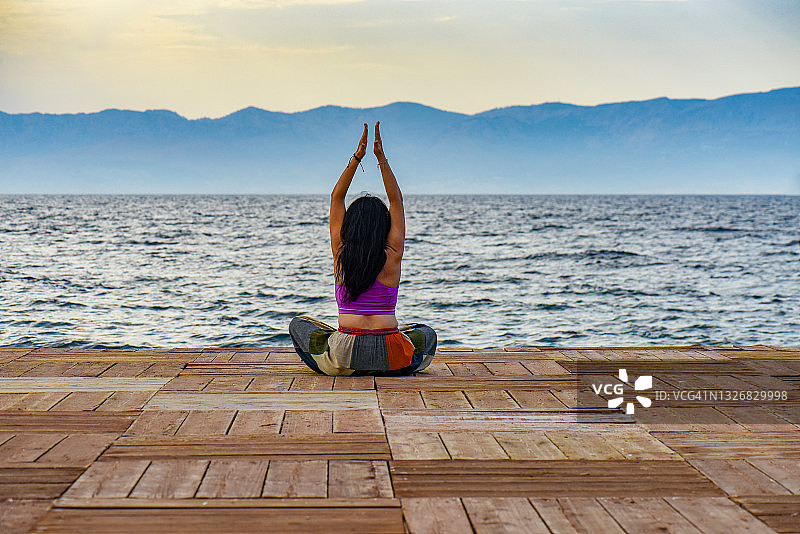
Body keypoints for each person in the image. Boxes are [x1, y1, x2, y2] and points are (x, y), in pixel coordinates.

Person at [289, 122, 436, 376]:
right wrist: (381, 158)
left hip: (344, 353)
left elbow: (336, 197)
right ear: (384, 226)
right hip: (391, 353)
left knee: (299, 324)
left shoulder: (340, 252)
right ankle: (388, 366)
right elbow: (396, 200)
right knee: (425, 333)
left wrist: (357, 157)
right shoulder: (393, 254)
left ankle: (349, 368)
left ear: (350, 226)